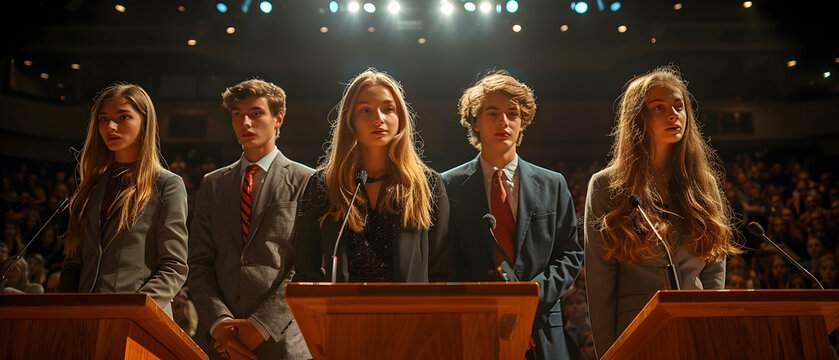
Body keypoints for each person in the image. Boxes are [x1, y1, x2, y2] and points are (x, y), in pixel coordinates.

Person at [584, 66, 740, 358]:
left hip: (697, 333)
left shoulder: (703, 184)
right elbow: (599, 284)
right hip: (638, 332)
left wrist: (711, 330)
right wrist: (609, 354)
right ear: (637, 119)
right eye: (659, 107)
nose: (673, 114)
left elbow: (715, 270)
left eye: (678, 106)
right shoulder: (606, 185)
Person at [442, 71, 582, 360]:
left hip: (541, 327)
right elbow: (445, 260)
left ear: (523, 123)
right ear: (475, 122)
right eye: (492, 113)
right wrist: (489, 309)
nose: (503, 122)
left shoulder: (553, 183)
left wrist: (529, 300)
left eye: (512, 113)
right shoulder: (447, 185)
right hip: (474, 326)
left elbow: (570, 254)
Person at [188, 79, 313, 360]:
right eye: (237, 114)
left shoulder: (307, 180)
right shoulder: (212, 183)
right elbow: (198, 261)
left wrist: (262, 326)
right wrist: (219, 323)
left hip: (282, 342)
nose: (246, 122)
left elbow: (306, 265)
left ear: (278, 118)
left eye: (256, 113)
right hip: (221, 343)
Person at [293, 69, 452, 283]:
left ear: (400, 118)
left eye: (388, 109)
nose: (379, 119)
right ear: (350, 121)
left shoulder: (428, 184)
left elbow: (440, 272)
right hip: (344, 314)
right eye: (366, 110)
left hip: (409, 314)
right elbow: (306, 270)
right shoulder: (324, 184)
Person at [58, 83, 188, 314]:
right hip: (82, 321)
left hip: (136, 320)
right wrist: (66, 311)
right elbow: (73, 265)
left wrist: (133, 309)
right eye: (103, 119)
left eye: (123, 117)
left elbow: (174, 266)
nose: (110, 126)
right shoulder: (92, 185)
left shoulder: (167, 184)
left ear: (145, 122)